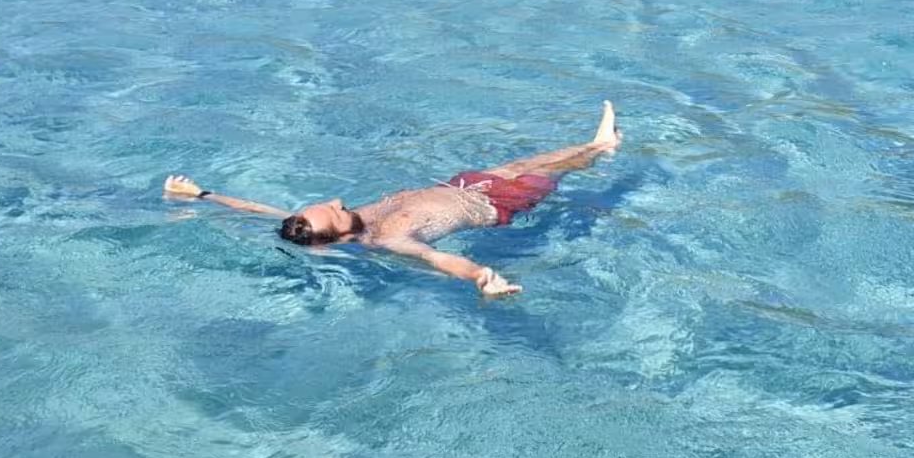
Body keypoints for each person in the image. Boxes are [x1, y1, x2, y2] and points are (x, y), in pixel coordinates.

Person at [163, 102, 621, 297]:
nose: (342, 200)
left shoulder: (316, 225)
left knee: (529, 159)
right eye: (339, 211)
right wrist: (481, 277)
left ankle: (599, 144)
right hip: (495, 207)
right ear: (335, 239)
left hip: (460, 186)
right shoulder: (388, 240)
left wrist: (202, 193)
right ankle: (599, 152)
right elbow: (438, 260)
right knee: (545, 171)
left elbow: (260, 210)